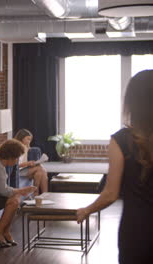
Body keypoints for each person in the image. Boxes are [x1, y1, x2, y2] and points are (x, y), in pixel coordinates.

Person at [76, 70, 153, 264]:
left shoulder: (121, 140)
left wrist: (87, 210)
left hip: (138, 231)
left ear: (132, 103)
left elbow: (111, 194)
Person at [0, 139, 37, 247]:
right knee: (14, 201)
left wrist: (19, 192)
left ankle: (5, 231)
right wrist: (22, 190)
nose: (17, 160)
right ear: (10, 156)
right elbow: (4, 191)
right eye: (17, 157)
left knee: (16, 198)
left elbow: (3, 189)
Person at [14, 129, 48, 195]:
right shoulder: (16, 148)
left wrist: (32, 163)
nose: (29, 142)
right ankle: (41, 194)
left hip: (23, 169)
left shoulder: (25, 147)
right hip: (16, 171)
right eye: (28, 139)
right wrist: (28, 163)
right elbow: (15, 165)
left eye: (30, 140)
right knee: (39, 168)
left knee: (40, 172)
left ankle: (38, 194)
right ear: (21, 138)